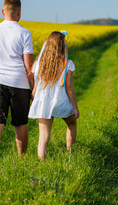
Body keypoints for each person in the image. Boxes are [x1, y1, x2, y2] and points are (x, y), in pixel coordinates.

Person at [0, 0, 34, 169]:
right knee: (21, 123)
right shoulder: (25, 33)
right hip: (19, 84)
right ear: (19, 12)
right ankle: (22, 160)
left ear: (3, 11)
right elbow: (28, 66)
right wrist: (34, 88)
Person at [28, 31, 79, 160]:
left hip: (43, 101)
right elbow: (69, 87)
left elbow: (34, 80)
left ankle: (42, 163)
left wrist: (35, 96)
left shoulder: (39, 63)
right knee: (71, 124)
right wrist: (75, 107)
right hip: (61, 101)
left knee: (43, 136)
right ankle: (70, 154)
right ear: (63, 45)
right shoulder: (67, 63)